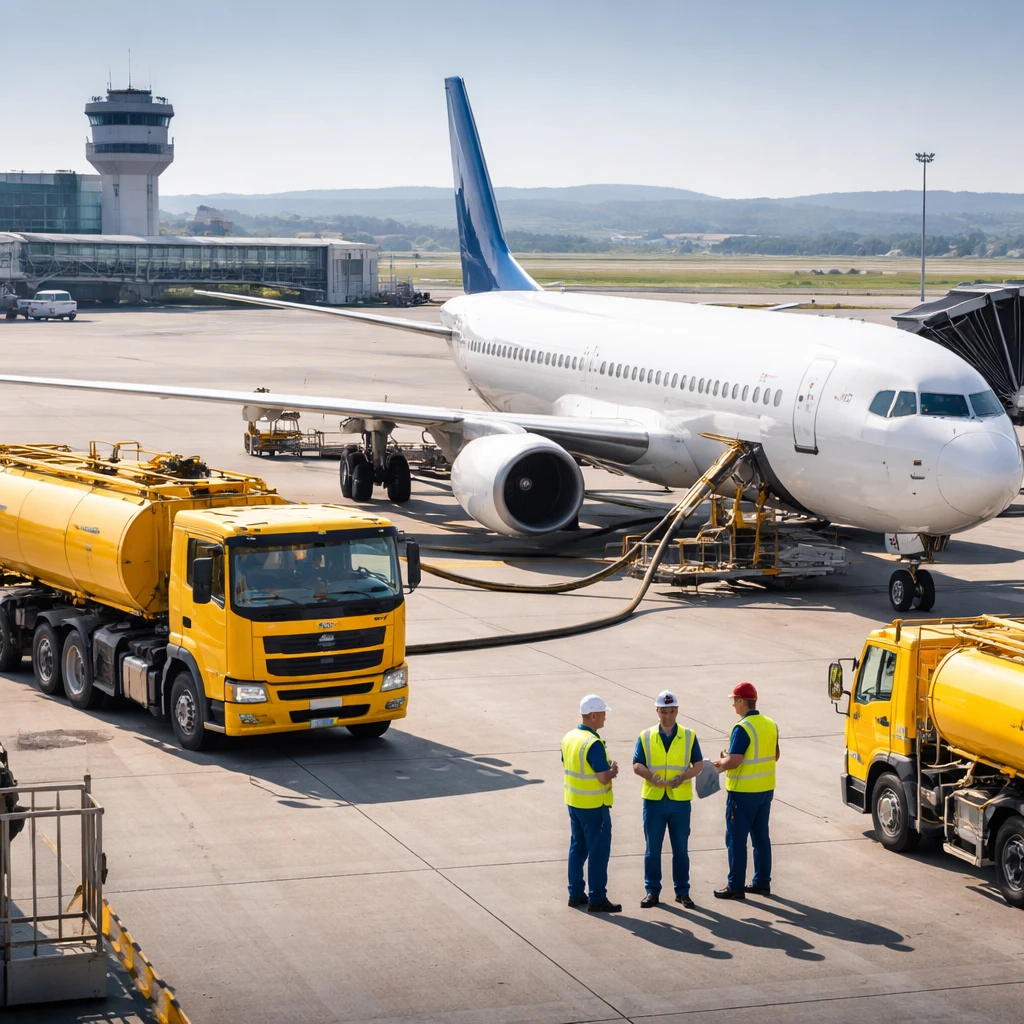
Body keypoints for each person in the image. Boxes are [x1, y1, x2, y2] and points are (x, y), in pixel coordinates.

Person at [633, 690, 705, 908]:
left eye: (672, 711)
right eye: (664, 711)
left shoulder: (689, 735)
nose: (667, 716)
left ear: (677, 711)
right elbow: (637, 764)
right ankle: (652, 891)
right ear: (657, 711)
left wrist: (683, 776)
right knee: (652, 849)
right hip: (654, 800)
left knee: (680, 849)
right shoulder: (645, 736)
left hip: (679, 801)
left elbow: (699, 765)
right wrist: (652, 777)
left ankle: (682, 891)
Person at [711, 682, 780, 900]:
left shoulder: (742, 727)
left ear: (742, 702)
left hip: (742, 793)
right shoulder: (770, 724)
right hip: (765, 790)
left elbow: (734, 761)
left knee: (736, 840)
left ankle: (735, 886)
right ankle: (761, 883)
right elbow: (775, 755)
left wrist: (719, 762)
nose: (733, 706)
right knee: (761, 838)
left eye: (734, 701)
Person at [562, 694, 621, 912]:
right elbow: (603, 777)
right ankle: (597, 898)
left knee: (577, 848)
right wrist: (612, 771)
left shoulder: (569, 737)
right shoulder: (593, 743)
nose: (605, 717)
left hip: (574, 803)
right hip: (594, 806)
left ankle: (575, 893)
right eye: (603, 714)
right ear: (594, 715)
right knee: (598, 852)